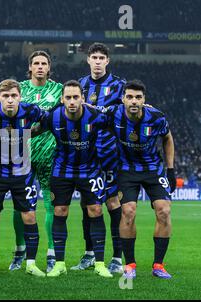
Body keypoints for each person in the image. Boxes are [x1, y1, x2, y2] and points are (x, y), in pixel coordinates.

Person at [0, 79, 47, 277]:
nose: (10, 100)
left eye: (14, 96)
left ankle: (30, 264)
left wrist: (33, 132)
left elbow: (50, 120)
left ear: (20, 97)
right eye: (6, 96)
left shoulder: (31, 111)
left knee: (29, 217)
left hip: (23, 173)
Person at [35, 80, 113, 278]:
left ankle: (100, 263)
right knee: (60, 211)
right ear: (62, 99)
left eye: (75, 97)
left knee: (95, 210)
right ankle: (60, 263)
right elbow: (31, 130)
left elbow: (119, 123)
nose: (72, 101)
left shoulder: (96, 116)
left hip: (90, 170)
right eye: (68, 97)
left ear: (83, 99)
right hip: (62, 171)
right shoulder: (53, 117)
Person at [103, 80, 176, 279]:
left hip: (153, 169)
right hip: (126, 169)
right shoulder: (112, 114)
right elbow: (91, 114)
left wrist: (170, 170)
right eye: (130, 97)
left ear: (144, 100)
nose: (134, 101)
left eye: (138, 97)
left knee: (164, 210)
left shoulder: (156, 117)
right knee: (128, 211)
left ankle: (158, 265)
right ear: (122, 99)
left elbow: (167, 138)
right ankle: (130, 265)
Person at [72, 43, 126, 274]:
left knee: (113, 204)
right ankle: (90, 253)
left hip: (111, 154)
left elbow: (126, 112)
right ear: (87, 60)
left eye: (101, 57)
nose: (97, 61)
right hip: (86, 155)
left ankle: (116, 257)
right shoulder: (80, 85)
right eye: (93, 57)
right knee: (87, 205)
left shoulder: (119, 86)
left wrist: (95, 110)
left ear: (107, 61)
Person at [9, 51, 63, 273]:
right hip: (23, 156)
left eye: (44, 63)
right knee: (20, 206)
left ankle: (51, 254)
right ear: (29, 67)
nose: (40, 67)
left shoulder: (59, 89)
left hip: (51, 155)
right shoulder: (19, 89)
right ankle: (19, 251)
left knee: (52, 205)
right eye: (36, 63)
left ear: (49, 68)